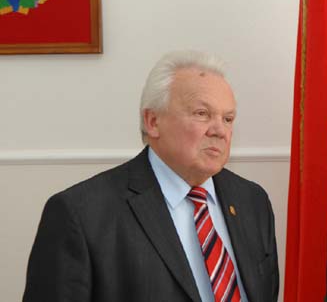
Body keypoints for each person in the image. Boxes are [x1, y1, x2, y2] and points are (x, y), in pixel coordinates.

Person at [23, 50, 279, 302]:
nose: (220, 130)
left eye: (228, 118)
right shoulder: (81, 215)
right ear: (153, 121)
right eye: (202, 114)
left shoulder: (252, 201)